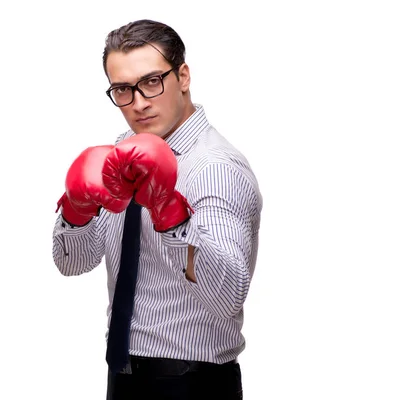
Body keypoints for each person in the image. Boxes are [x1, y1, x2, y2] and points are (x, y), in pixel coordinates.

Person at [52, 19, 262, 400]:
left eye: (152, 82)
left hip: (192, 383)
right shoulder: (122, 152)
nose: (139, 103)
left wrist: (170, 213)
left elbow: (230, 295)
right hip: (123, 376)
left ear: (183, 76)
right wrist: (76, 210)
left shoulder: (215, 168)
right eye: (122, 90)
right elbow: (73, 262)